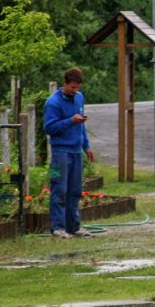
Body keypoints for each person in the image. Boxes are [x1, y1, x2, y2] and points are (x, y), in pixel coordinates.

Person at [43, 68, 95, 238]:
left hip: (76, 152)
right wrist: (69, 121)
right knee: (59, 189)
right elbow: (49, 128)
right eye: (72, 87)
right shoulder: (53, 103)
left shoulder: (79, 98)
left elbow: (81, 126)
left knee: (75, 190)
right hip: (59, 153)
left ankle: (74, 226)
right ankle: (57, 228)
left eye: (78, 87)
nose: (75, 91)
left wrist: (86, 146)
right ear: (65, 83)